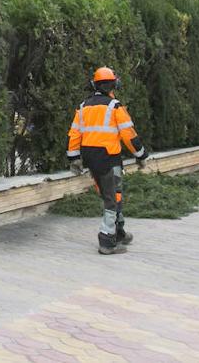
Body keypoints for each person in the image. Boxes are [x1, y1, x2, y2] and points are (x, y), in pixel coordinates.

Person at [66, 66, 149, 255]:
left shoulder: (83, 107)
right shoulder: (114, 106)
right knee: (111, 199)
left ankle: (119, 231)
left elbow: (74, 134)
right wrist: (141, 155)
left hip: (91, 158)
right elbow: (129, 134)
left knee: (113, 193)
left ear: (94, 84)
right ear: (113, 84)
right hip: (109, 158)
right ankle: (107, 241)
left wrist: (74, 159)